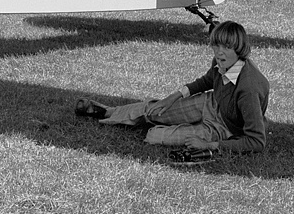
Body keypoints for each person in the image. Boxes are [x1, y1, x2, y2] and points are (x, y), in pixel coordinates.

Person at [75, 21, 269, 155]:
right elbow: (207, 81)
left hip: (225, 127)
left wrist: (210, 145)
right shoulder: (221, 62)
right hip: (211, 103)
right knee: (155, 108)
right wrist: (174, 97)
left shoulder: (249, 89)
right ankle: (108, 111)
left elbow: (256, 141)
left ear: (239, 48)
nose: (219, 52)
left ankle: (150, 124)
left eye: (226, 47)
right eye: (216, 45)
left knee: (154, 136)